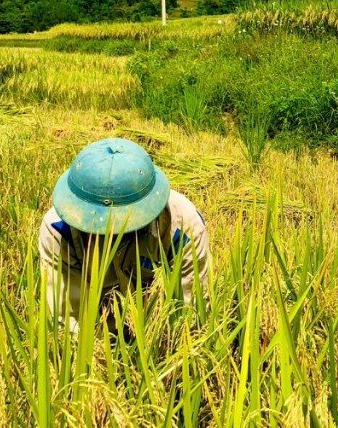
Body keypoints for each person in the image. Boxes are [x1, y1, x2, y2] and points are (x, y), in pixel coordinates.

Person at [39, 138, 210, 332]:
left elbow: (189, 314)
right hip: (94, 332)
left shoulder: (183, 226)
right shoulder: (58, 230)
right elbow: (66, 319)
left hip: (156, 334)